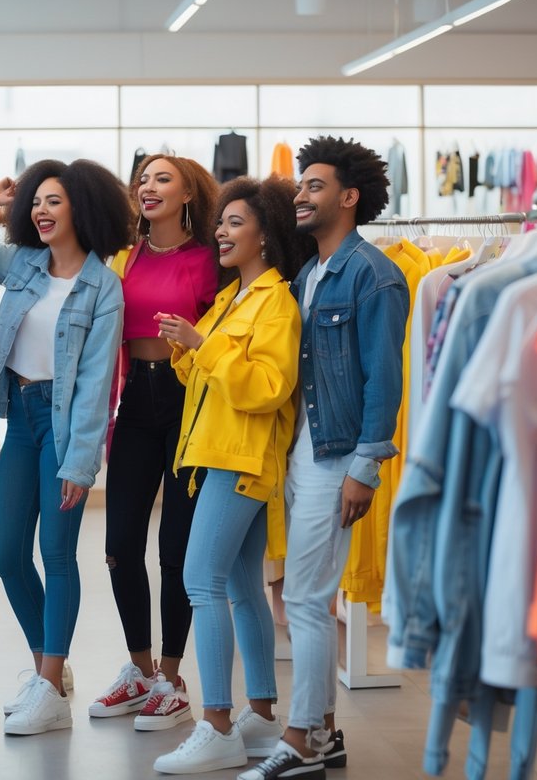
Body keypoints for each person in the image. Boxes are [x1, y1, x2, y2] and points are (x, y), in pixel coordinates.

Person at [242, 137, 407, 780]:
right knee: (306, 597)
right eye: (300, 186)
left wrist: (364, 469)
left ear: (349, 196)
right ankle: (327, 733)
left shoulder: (374, 274)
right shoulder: (310, 274)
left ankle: (301, 738)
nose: (301, 195)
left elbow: (383, 382)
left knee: (307, 601)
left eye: (314, 185)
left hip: (338, 460)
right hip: (302, 455)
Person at [151, 175, 306, 774]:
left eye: (235, 223)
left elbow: (268, 389)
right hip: (217, 454)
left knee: (201, 580)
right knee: (240, 588)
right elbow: (209, 381)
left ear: (266, 236)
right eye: (221, 222)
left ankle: (216, 724)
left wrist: (203, 347)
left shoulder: (277, 303)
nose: (220, 231)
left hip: (241, 460)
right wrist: (189, 350)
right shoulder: (230, 299)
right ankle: (262, 717)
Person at [0, 158, 130, 736]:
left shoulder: (103, 286)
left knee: (57, 554)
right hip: (20, 419)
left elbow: (96, 382)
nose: (40, 211)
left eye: (53, 202)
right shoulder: (20, 262)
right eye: (34, 202)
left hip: (66, 427)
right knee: (7, 554)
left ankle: (49, 684)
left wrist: (81, 461)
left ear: (80, 209)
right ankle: (50, 669)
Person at [94, 154, 220, 730]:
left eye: (162, 178)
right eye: (142, 179)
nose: (147, 187)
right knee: (119, 542)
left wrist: (194, 342)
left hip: (186, 402)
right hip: (134, 404)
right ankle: (141, 672)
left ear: (189, 192)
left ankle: (172, 679)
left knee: (176, 549)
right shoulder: (125, 256)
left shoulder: (213, 258)